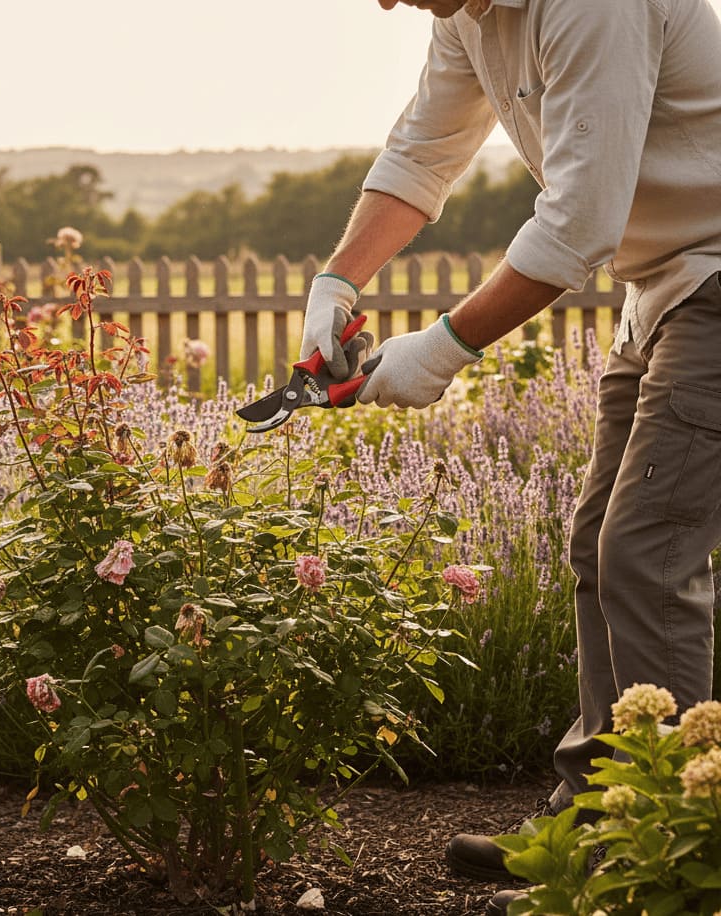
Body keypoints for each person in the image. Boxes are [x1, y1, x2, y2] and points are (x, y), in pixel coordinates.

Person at [297, 1, 721, 913]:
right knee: (597, 545)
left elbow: (578, 222)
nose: (385, 0)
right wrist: (338, 279)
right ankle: (604, 814)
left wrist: (440, 348)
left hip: (717, 274)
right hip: (664, 286)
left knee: (645, 556)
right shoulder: (469, 13)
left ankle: (686, 849)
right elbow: (424, 152)